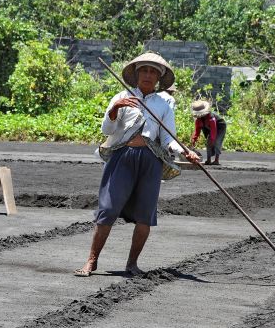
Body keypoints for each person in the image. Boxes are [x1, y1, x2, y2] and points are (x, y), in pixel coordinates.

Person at [75, 52, 200, 277]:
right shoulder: (122, 96)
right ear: (137, 73)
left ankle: (132, 264)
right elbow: (107, 131)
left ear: (159, 78)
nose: (148, 75)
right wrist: (114, 110)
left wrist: (186, 152)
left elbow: (168, 138)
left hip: (150, 160)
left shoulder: (164, 103)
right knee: (108, 209)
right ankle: (91, 261)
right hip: (122, 157)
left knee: (145, 214)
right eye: (145, 70)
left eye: (153, 72)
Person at [190, 100, 227, 165]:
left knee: (217, 142)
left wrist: (212, 140)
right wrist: (194, 139)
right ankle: (208, 160)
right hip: (208, 127)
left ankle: (216, 160)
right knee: (208, 143)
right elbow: (197, 131)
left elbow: (214, 130)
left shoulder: (211, 118)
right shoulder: (198, 120)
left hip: (220, 126)